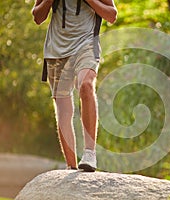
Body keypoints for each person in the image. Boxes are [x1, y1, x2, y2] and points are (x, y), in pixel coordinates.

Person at [32, 0, 117, 172]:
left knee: (86, 85)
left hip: (86, 45)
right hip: (55, 50)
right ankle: (71, 166)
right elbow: (37, 17)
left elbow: (112, 15)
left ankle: (89, 153)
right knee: (64, 108)